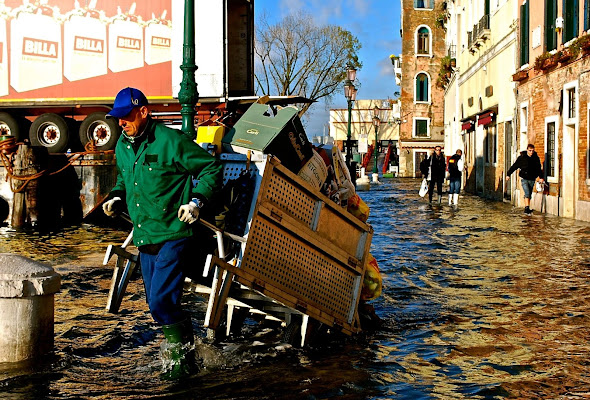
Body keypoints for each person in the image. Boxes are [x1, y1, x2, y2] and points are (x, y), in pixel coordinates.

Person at [102, 87, 222, 378]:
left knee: (160, 302)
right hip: (145, 236)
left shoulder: (171, 141)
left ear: (144, 112)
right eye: (117, 118)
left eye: (126, 117)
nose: (121, 123)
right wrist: (116, 196)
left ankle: (181, 363)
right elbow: (124, 178)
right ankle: (192, 355)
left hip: (174, 233)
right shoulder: (122, 144)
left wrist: (196, 201)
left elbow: (210, 168)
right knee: (156, 305)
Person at [505, 143, 544, 215]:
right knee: (527, 192)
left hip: (532, 178)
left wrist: (541, 177)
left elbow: (539, 168)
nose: (531, 152)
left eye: (532, 151)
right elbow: (514, 166)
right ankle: (526, 208)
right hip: (524, 178)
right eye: (530, 150)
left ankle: (527, 207)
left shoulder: (536, 158)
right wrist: (508, 174)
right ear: (527, 150)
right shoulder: (522, 158)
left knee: (529, 194)